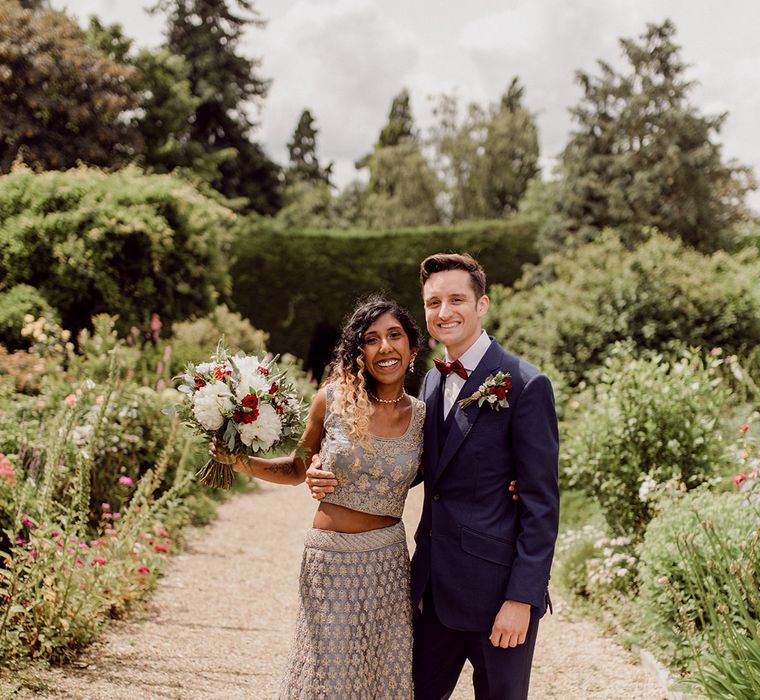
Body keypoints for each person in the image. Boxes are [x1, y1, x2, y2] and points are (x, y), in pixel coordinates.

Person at [307, 253, 560, 699]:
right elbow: (423, 469)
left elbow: (542, 505)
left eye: (457, 299)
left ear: (482, 304)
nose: (445, 312)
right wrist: (330, 471)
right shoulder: (428, 384)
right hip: (431, 592)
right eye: (433, 302)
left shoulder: (525, 384)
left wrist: (522, 599)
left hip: (497, 594)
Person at [211, 296, 425, 699]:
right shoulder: (330, 401)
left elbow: (449, 476)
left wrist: (508, 484)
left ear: (413, 348)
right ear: (359, 351)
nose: (384, 347)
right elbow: (296, 468)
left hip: (388, 565)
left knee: (385, 676)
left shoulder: (425, 417)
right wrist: (240, 462)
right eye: (371, 339)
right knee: (330, 679)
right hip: (330, 561)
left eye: (394, 336)